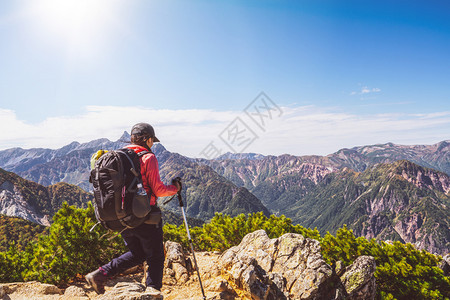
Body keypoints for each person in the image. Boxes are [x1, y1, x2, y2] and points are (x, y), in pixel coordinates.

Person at [86, 122, 180, 294]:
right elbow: (158, 190)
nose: (152, 144)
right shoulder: (147, 157)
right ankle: (152, 292)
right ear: (147, 139)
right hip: (145, 215)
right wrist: (175, 188)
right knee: (156, 256)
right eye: (152, 140)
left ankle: (100, 274)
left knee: (138, 254)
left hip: (121, 215)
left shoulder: (120, 155)